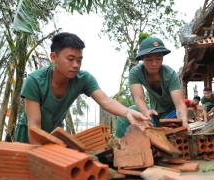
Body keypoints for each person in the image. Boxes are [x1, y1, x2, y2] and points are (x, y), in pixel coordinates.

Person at [15, 32, 150, 144]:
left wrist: (130, 113)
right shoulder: (35, 81)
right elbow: (34, 125)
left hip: (56, 132)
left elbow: (106, 101)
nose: (76, 65)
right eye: (70, 59)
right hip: (29, 134)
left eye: (79, 60)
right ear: (53, 57)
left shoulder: (83, 79)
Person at [115, 37, 190, 138]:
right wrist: (146, 113)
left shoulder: (170, 75)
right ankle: (118, 145)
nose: (154, 63)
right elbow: (139, 98)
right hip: (154, 111)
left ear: (163, 57)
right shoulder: (136, 72)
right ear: (142, 58)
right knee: (127, 114)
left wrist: (184, 121)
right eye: (149, 59)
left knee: (173, 133)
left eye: (158, 59)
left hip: (172, 112)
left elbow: (179, 103)